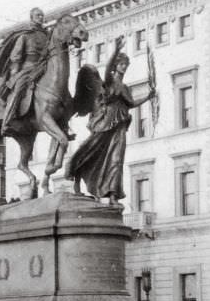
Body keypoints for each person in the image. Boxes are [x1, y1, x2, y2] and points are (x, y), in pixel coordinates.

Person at [66, 51, 155, 204]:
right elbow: (107, 70)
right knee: (90, 149)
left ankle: (113, 195)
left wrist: (148, 97)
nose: (124, 67)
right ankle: (76, 175)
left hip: (120, 125)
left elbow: (131, 104)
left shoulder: (125, 87)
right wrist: (115, 51)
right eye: (121, 64)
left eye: (126, 65)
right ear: (116, 65)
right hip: (105, 123)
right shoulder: (109, 81)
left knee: (116, 159)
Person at [0, 7, 51, 134]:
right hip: (27, 69)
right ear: (32, 18)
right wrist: (15, 73)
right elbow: (16, 56)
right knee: (18, 89)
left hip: (44, 68)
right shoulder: (25, 35)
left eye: (42, 15)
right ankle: (8, 121)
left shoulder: (47, 36)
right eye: (38, 15)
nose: (41, 17)